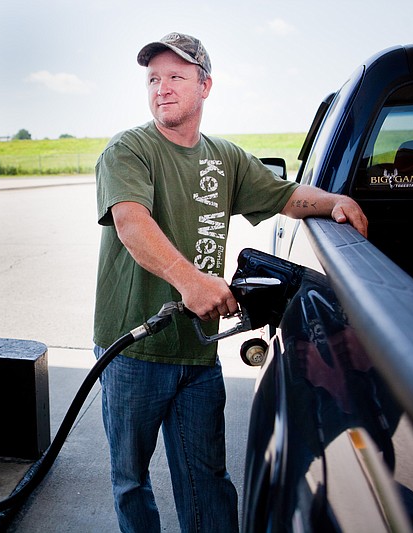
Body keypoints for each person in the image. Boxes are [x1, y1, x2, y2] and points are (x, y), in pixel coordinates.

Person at [93, 32, 368, 533]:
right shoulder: (128, 149)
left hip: (197, 353)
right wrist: (191, 281)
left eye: (176, 76)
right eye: (153, 78)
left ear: (205, 86)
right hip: (134, 350)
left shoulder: (225, 157)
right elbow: (132, 223)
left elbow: (285, 195)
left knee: (206, 476)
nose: (162, 88)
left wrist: (333, 202)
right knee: (130, 479)